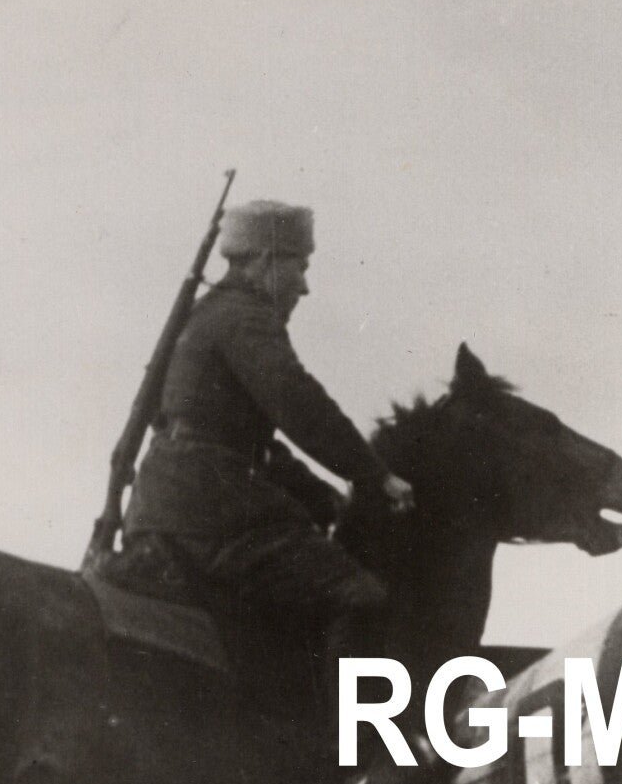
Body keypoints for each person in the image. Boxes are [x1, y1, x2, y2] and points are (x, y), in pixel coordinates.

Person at [123, 199, 415, 634]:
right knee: (363, 596)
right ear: (263, 261)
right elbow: (298, 402)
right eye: (300, 266)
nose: (304, 287)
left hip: (170, 508)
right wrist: (375, 474)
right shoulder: (244, 317)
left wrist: (321, 495)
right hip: (209, 517)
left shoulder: (208, 314)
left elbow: (244, 442)